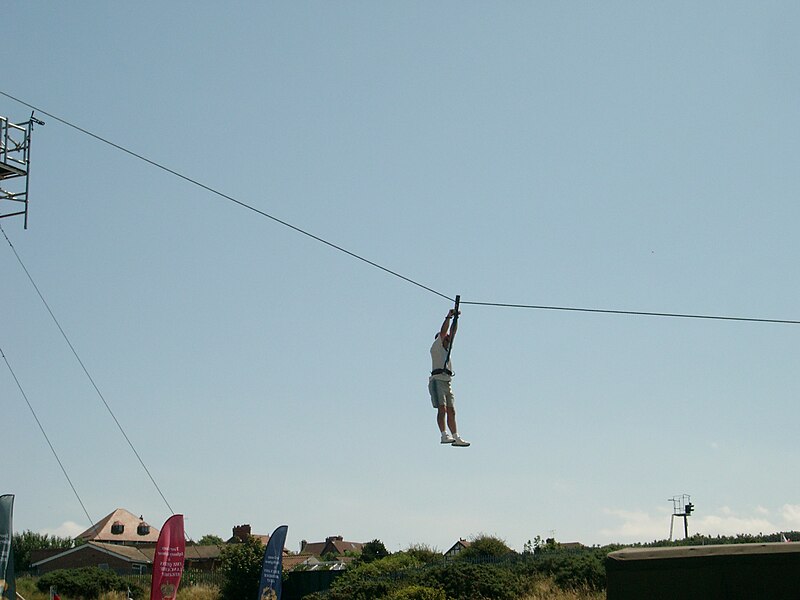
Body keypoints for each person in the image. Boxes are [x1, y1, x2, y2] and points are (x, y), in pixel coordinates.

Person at [429, 308, 470, 446]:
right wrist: (448, 317)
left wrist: (456, 319)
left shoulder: (447, 350)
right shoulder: (436, 347)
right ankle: (443, 434)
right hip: (438, 380)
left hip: (447, 381)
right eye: (445, 338)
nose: (448, 339)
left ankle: (455, 436)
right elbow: (444, 332)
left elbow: (453, 333)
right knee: (443, 409)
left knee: (451, 411)